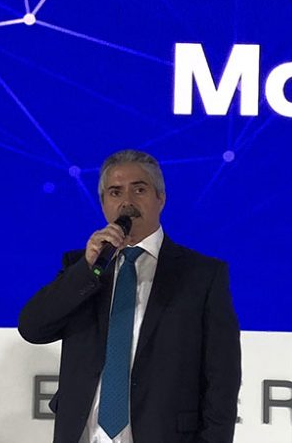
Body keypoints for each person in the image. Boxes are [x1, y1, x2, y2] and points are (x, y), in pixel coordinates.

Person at [19, 149, 241, 443]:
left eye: (139, 189)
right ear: (103, 204)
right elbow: (33, 327)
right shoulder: (84, 268)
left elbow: (222, 379)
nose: (127, 202)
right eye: (115, 192)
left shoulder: (201, 275)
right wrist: (86, 269)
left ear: (161, 198)